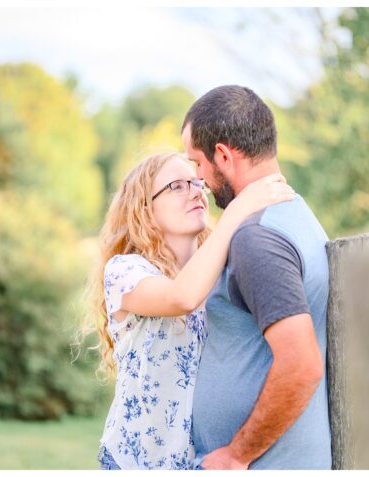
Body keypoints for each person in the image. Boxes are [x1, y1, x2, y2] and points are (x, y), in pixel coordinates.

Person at [82, 151, 294, 469]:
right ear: (144, 209)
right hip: (136, 464)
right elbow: (182, 297)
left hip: (201, 462)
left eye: (196, 183)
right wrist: (238, 210)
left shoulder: (223, 274)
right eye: (178, 186)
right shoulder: (125, 271)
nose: (196, 190)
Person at [182, 85, 331, 470]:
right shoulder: (293, 213)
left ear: (223, 155)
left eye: (197, 163)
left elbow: (301, 364)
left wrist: (237, 454)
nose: (198, 178)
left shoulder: (256, 238)